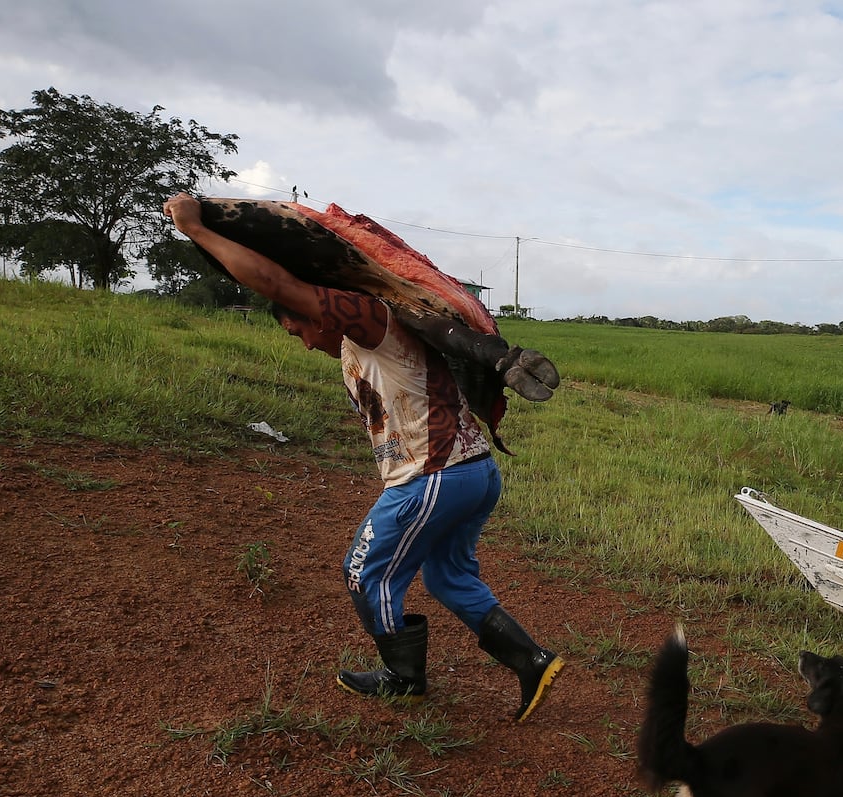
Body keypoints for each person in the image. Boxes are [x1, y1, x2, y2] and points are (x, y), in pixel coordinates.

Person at [162, 194, 563, 723]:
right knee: (448, 579)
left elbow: (279, 286)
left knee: (364, 573)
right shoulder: (368, 344)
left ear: (317, 311)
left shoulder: (373, 320)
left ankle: (404, 679)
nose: (304, 342)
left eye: (298, 327)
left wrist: (198, 230)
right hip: (474, 472)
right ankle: (532, 661)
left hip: (434, 476)